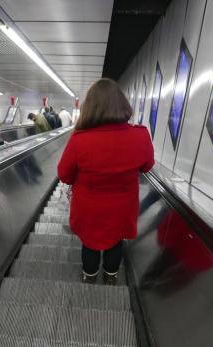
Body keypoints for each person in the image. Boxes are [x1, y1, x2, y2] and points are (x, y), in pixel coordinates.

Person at [57, 78, 155, 285]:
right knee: (116, 241)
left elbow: (64, 175)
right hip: (123, 206)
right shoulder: (140, 135)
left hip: (89, 207)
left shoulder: (79, 139)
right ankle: (111, 277)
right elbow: (147, 167)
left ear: (89, 107)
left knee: (90, 243)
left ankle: (89, 277)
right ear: (122, 104)